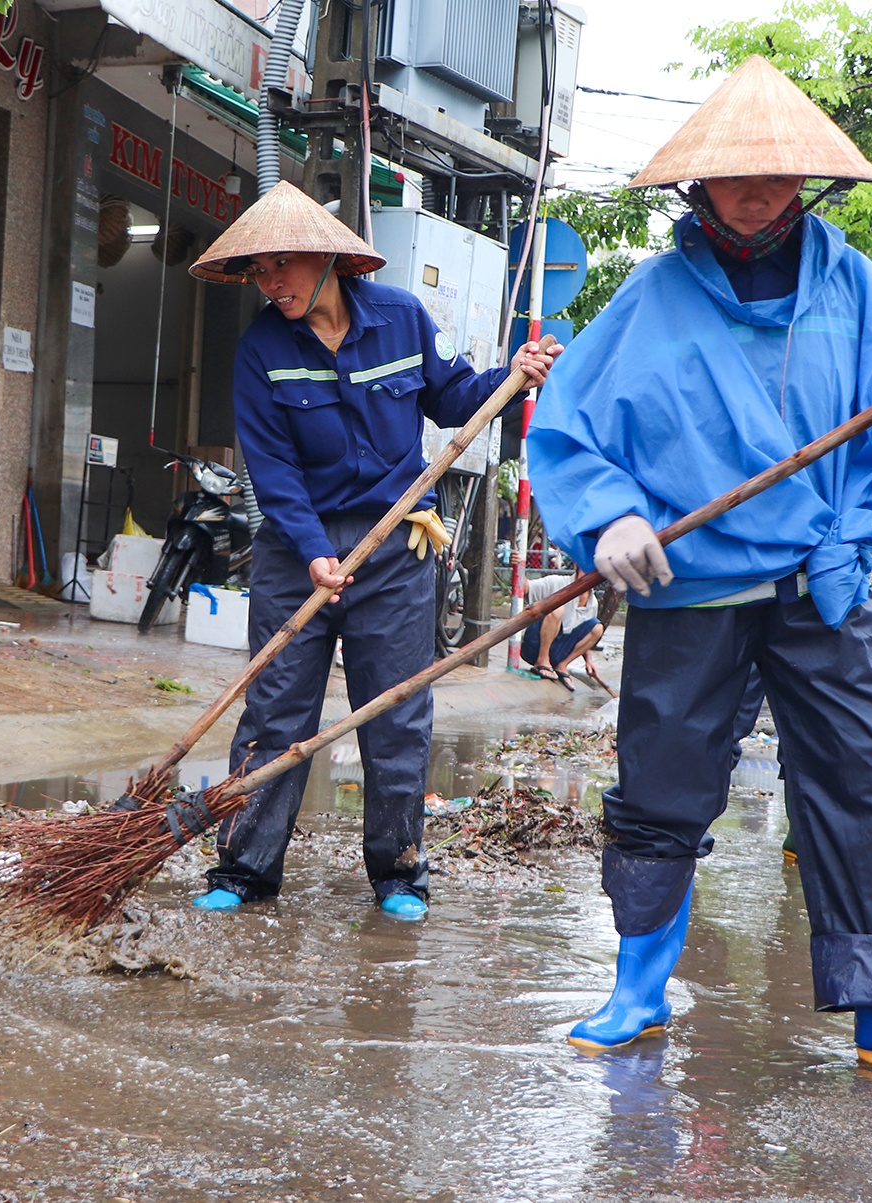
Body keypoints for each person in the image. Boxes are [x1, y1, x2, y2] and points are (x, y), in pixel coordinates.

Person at [528, 56, 872, 1075]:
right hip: (689, 587)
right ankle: (638, 987)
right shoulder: (649, 300)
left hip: (821, 583)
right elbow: (569, 437)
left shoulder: (850, 286)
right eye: (738, 177)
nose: (759, 194)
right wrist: (608, 520)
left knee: (861, 777)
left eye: (779, 176)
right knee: (660, 784)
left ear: (807, 183)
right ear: (697, 187)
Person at [185, 181, 561, 921]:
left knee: (396, 712)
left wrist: (513, 377)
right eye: (260, 271)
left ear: (330, 259)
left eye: (284, 264)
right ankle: (247, 867)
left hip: (397, 546)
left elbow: (455, 397)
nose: (273, 283)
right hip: (300, 552)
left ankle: (399, 872)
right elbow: (272, 467)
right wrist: (314, 550)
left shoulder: (401, 318)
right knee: (276, 711)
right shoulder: (262, 347)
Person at [519, 572, 605, 687]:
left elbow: (585, 632)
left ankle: (562, 666)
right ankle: (542, 660)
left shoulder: (592, 602)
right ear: (576, 566)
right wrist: (517, 565)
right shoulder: (557, 582)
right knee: (557, 607)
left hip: (559, 651)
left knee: (597, 627)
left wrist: (588, 661)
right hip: (535, 646)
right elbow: (524, 587)